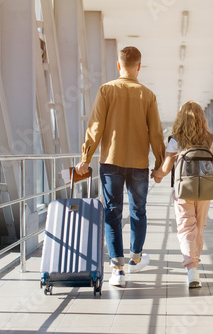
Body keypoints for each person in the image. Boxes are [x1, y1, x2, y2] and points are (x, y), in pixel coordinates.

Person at [75, 46, 166, 287]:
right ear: (139, 66)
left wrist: (85, 157)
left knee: (113, 213)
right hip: (138, 164)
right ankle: (135, 258)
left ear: (118, 65)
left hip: (111, 162)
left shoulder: (106, 90)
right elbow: (156, 133)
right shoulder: (148, 95)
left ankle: (117, 271)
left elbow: (96, 126)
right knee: (138, 210)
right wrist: (159, 165)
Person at [152, 101, 213, 288]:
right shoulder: (210, 139)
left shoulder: (176, 140)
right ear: (201, 118)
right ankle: (194, 265)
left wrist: (156, 174)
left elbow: (166, 169)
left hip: (183, 190)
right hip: (205, 190)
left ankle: (192, 269)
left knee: (186, 227)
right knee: (199, 226)